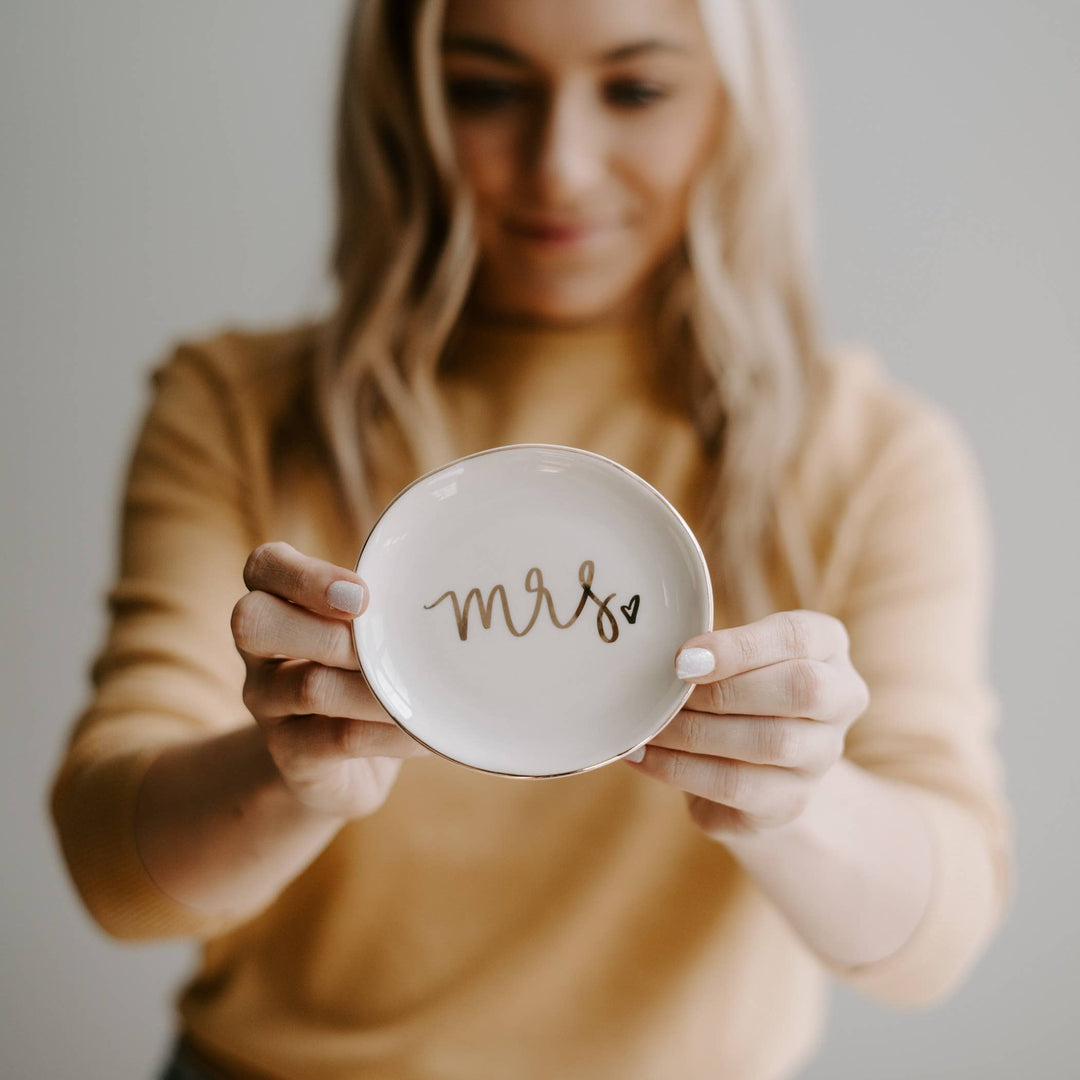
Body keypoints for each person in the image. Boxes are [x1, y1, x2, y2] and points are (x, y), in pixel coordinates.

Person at [47, 0, 1015, 1077]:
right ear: (402, 103)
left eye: (636, 90)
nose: (562, 167)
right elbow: (111, 874)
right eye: (487, 91)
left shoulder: (867, 455)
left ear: (737, 110)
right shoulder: (238, 408)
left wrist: (797, 798)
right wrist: (288, 777)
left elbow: (938, 938)